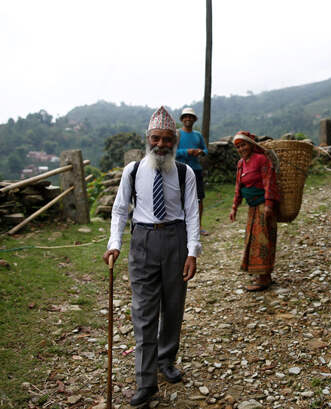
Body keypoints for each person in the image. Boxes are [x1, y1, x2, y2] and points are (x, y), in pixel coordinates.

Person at [102, 106, 201, 406]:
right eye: (156, 138)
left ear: (175, 141)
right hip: (142, 241)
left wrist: (192, 251)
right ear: (148, 138)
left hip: (175, 239)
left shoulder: (186, 173)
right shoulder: (132, 171)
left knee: (173, 306)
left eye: (168, 139)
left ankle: (165, 359)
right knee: (144, 313)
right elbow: (120, 209)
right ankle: (145, 382)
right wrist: (114, 243)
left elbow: (193, 213)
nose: (161, 145)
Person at [229, 131, 280, 291]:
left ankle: (264, 278)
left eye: (243, 144)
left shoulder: (261, 159)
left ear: (251, 144)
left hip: (263, 207)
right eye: (238, 146)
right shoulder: (241, 163)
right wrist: (234, 207)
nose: (241, 149)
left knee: (263, 240)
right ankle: (262, 275)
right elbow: (239, 187)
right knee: (253, 240)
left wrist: (269, 204)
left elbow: (268, 181)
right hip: (252, 208)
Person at [175, 107, 209, 236]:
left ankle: (199, 226)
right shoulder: (177, 134)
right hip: (180, 170)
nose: (188, 119)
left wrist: (200, 152)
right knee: (179, 198)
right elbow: (172, 153)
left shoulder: (198, 135)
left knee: (199, 198)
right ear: (182, 119)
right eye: (185, 117)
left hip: (196, 170)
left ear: (194, 119)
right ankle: (182, 226)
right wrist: (187, 152)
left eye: (190, 117)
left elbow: (205, 150)